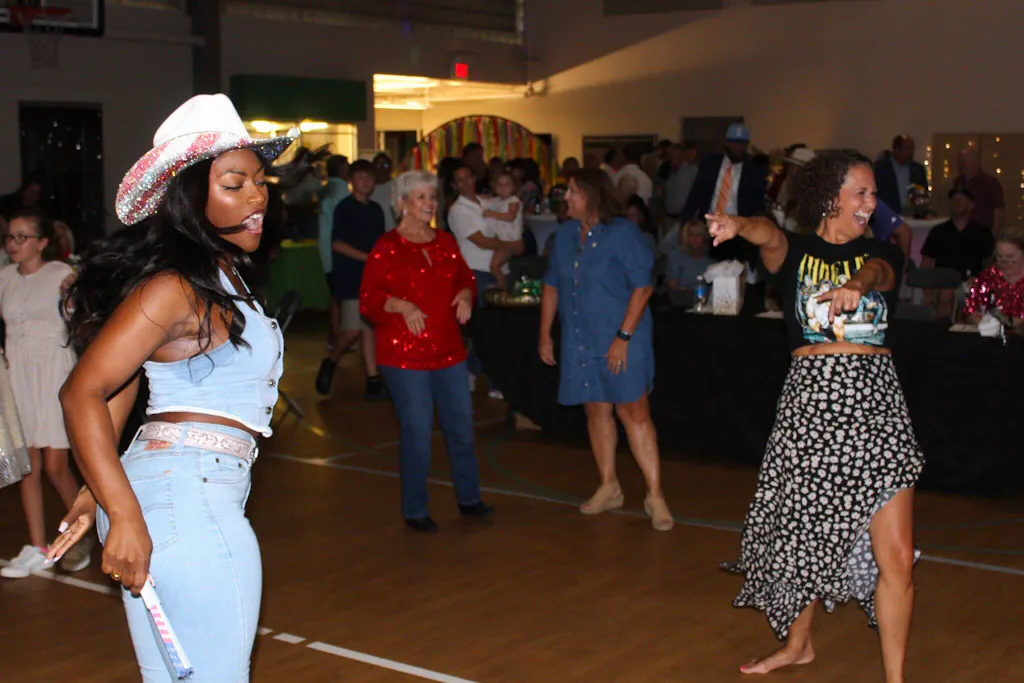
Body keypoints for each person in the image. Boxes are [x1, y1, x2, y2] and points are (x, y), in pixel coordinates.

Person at [48, 94, 294, 681]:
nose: (257, 197)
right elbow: (82, 391)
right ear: (188, 197)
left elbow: (128, 379)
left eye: (260, 182)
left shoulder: (218, 275)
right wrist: (121, 511)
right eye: (234, 183)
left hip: (170, 492)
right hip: (187, 500)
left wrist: (96, 489)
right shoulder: (174, 288)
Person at [710, 151, 922, 681]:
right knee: (807, 537)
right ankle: (798, 645)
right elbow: (766, 234)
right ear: (831, 197)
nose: (871, 204)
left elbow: (880, 272)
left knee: (897, 556)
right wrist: (738, 225)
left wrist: (857, 284)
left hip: (876, 407)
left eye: (874, 194)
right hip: (812, 405)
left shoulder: (881, 252)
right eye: (861, 193)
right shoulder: (798, 252)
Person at [538, 169, 673, 532]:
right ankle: (609, 485)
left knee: (634, 412)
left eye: (573, 191)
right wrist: (545, 334)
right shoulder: (564, 236)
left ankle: (655, 494)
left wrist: (622, 338)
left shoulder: (622, 233)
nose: (566, 198)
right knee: (596, 410)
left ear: (593, 195)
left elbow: (643, 288)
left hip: (623, 338)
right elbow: (551, 285)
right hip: (580, 338)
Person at [359, 171, 492, 532]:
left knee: (461, 425)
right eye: (421, 197)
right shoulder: (387, 246)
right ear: (402, 203)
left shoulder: (445, 242)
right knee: (417, 431)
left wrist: (465, 294)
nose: (430, 203)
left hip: (448, 348)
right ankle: (415, 508)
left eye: (432, 197)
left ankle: (469, 498)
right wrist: (402, 305)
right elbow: (369, 300)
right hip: (404, 355)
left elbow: (465, 278)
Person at [0, 209, 87, 578]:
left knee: (55, 465)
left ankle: (82, 534)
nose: (14, 243)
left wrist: (76, 292)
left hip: (53, 371)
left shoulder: (59, 274)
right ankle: (37, 547)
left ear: (42, 243)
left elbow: (81, 315)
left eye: (22, 237)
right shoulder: (4, 277)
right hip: (19, 374)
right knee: (28, 467)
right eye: (10, 236)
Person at [316, 159, 387, 399]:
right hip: (351, 276)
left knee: (368, 328)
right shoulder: (344, 208)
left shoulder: (376, 210)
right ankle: (331, 360)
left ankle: (372, 379)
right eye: (361, 177)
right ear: (351, 180)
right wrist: (369, 258)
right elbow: (337, 244)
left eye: (370, 177)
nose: (366, 182)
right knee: (353, 330)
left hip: (372, 276)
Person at [963, 224, 1024, 330]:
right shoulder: (988, 277)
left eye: (1010, 257)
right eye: (999, 256)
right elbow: (970, 313)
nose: (1004, 261)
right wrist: (978, 321)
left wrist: (1014, 322)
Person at [318, 154, 350, 351]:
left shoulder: (328, 189)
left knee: (336, 296)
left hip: (327, 251)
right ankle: (338, 337)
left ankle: (336, 336)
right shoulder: (340, 192)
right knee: (340, 298)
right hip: (337, 254)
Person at [482, 170, 523, 290]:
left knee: (494, 265)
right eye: (500, 185)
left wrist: (491, 214)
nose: (503, 188)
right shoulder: (497, 200)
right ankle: (504, 285)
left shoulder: (513, 200)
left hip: (511, 241)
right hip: (502, 240)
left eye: (507, 185)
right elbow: (488, 200)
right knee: (498, 266)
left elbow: (510, 216)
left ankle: (502, 286)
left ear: (513, 187)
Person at [666, 219, 714, 289]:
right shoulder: (676, 257)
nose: (695, 238)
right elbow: (672, 287)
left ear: (704, 237)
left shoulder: (710, 263)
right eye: (691, 235)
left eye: (698, 235)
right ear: (686, 237)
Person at [370, 152, 397, 232]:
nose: (382, 168)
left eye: (385, 165)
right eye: (379, 165)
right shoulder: (368, 189)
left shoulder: (397, 187)